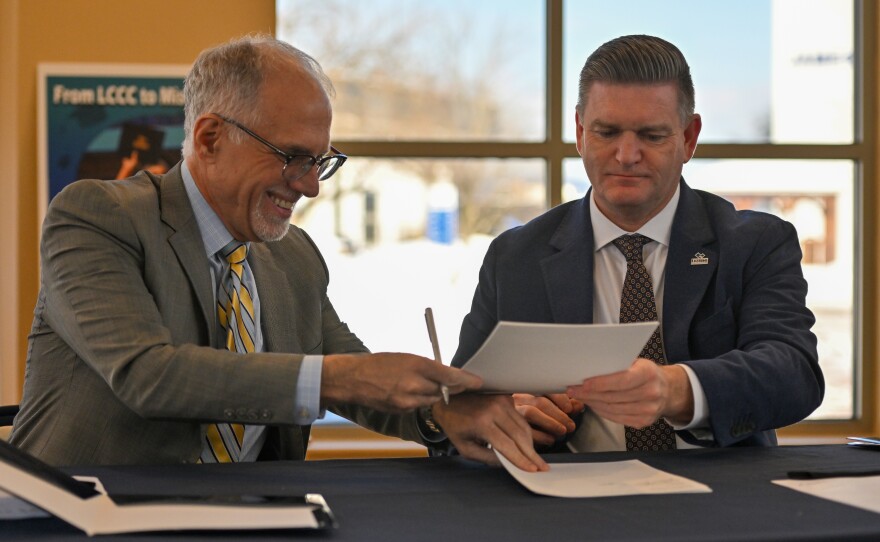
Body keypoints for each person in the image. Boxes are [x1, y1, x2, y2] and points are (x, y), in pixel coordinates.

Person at [10, 34, 545, 472]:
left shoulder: (294, 257)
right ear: (211, 138)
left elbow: (357, 376)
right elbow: (148, 375)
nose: (310, 187)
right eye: (293, 158)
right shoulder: (96, 217)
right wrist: (337, 377)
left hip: (252, 515)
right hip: (85, 518)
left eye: (321, 161)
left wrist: (443, 413)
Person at [443, 34, 824, 453]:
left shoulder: (755, 243)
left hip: (720, 504)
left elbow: (795, 374)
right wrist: (505, 415)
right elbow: (461, 408)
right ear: (580, 133)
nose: (626, 155)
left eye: (652, 136)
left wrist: (678, 389)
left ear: (689, 138)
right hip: (560, 503)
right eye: (606, 132)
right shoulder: (515, 257)